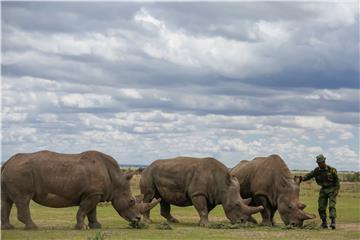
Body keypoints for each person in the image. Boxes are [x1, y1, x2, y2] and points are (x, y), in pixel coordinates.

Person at [299, 154, 340, 229]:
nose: (319, 164)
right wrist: (301, 179)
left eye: (320, 162)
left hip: (332, 189)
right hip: (323, 189)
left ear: (324, 161)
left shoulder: (332, 170)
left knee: (331, 206)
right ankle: (324, 223)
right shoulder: (317, 170)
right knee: (321, 207)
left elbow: (337, 181)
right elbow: (309, 175)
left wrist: (336, 190)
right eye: (318, 163)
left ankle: (333, 222)